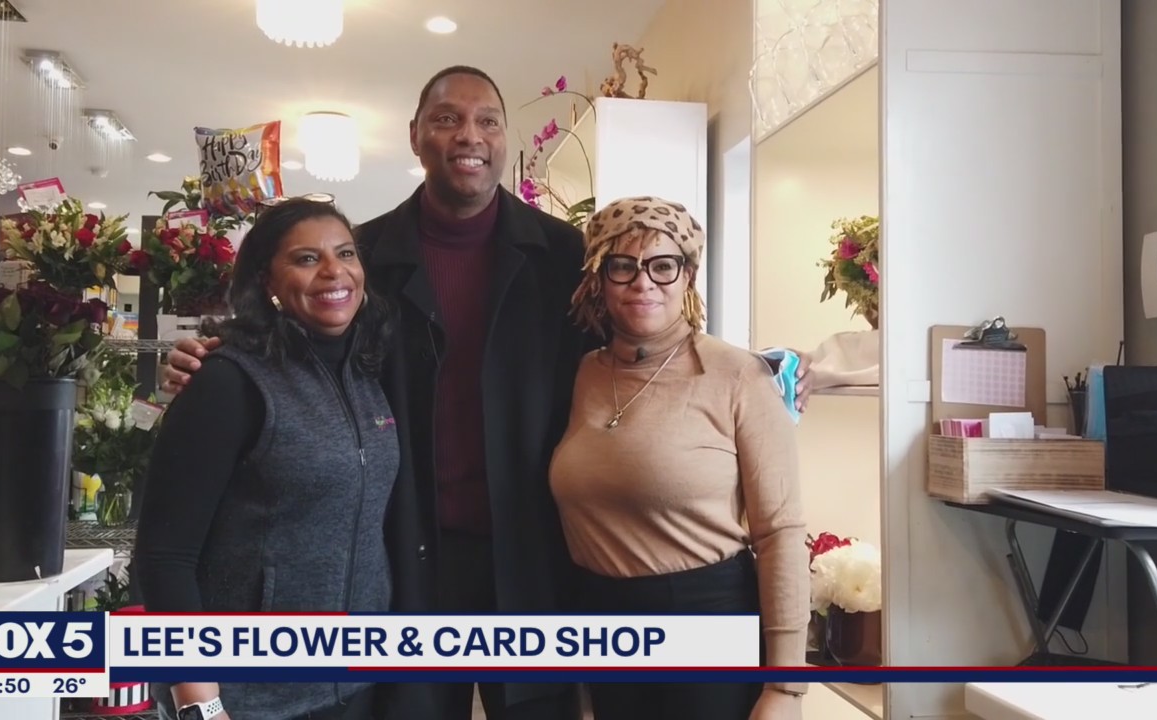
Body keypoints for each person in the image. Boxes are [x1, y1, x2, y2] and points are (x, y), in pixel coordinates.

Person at [161, 66, 815, 720]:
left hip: (537, 562)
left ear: (505, 138)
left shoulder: (562, 254)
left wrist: (762, 371)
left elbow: (646, 326)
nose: (468, 135)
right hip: (404, 562)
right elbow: (310, 348)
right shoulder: (364, 257)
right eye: (446, 119)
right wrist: (224, 360)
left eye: (487, 120)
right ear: (416, 136)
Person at [135, 197, 399, 720]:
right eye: (305, 259)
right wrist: (199, 701)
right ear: (267, 282)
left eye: (345, 253)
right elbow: (165, 555)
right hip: (249, 697)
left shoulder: (368, 374)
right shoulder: (227, 380)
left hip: (354, 685)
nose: (333, 272)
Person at [550, 196, 809, 720]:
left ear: (687, 276)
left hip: (704, 618)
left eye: (662, 265)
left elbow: (781, 531)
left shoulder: (739, 375)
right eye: (623, 266)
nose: (643, 282)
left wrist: (785, 685)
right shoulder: (580, 374)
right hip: (602, 623)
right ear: (600, 278)